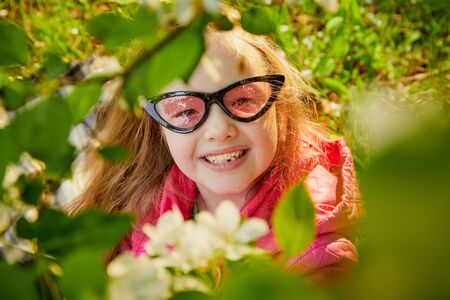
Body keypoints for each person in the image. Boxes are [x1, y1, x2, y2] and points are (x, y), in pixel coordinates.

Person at [68, 6, 362, 283]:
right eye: (185, 109)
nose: (219, 130)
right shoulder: (140, 199)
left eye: (244, 99)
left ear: (278, 105)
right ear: (157, 125)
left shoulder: (314, 246)